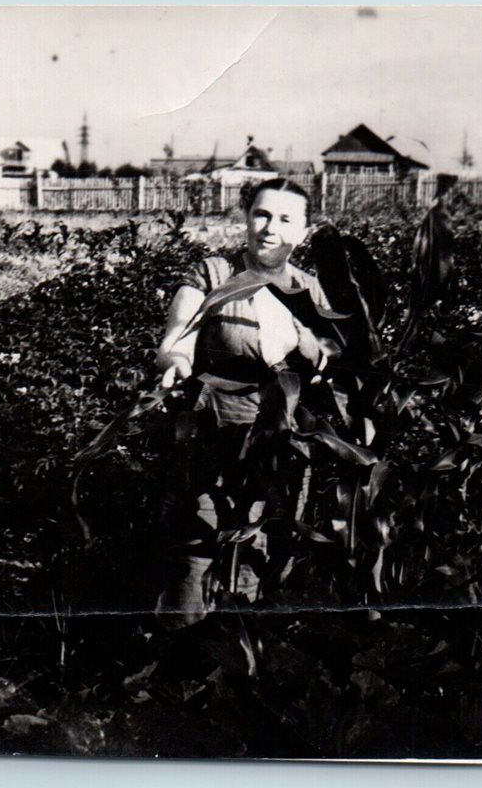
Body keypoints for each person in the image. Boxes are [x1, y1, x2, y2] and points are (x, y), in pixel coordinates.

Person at [154, 179, 336, 629]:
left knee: (265, 544)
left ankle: (241, 663)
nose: (271, 228)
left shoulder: (310, 292)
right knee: (199, 540)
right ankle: (179, 659)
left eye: (286, 219)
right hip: (216, 426)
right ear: (246, 217)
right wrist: (175, 360)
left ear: (304, 231)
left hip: (284, 434)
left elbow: (331, 360)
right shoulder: (215, 274)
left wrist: (314, 353)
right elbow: (177, 338)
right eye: (262, 214)